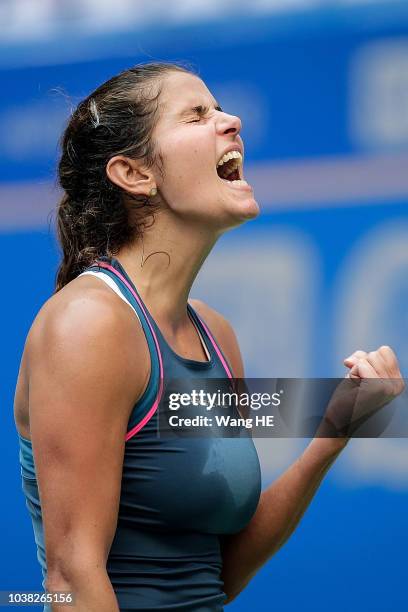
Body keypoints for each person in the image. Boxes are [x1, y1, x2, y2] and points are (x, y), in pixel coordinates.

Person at [14, 62, 405, 611]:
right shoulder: (88, 325)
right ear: (134, 174)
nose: (231, 120)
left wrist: (333, 433)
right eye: (197, 115)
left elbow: (217, 572)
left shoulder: (216, 333)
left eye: (219, 108)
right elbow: (72, 576)